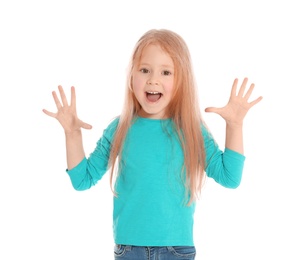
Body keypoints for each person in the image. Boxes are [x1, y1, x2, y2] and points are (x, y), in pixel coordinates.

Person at [43, 29, 262, 260]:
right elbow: (82, 180)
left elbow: (230, 177)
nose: (153, 79)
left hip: (177, 250)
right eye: (144, 70)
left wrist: (235, 126)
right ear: (131, 77)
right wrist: (72, 134)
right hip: (129, 250)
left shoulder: (191, 128)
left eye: (166, 72)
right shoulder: (120, 127)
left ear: (181, 81)